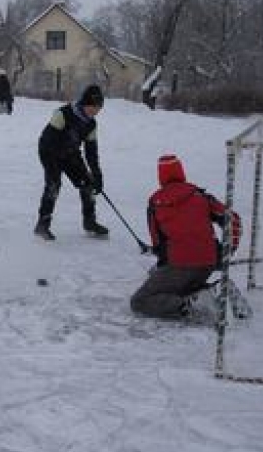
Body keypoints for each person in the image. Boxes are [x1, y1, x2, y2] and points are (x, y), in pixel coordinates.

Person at [130, 154, 242, 319]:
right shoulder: (201, 196)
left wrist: (162, 268)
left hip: (180, 263)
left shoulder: (155, 202)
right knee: (181, 282)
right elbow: (233, 220)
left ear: (161, 176)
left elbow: (158, 243)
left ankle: (189, 306)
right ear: (181, 172)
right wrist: (227, 251)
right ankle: (213, 291)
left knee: (140, 301)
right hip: (209, 262)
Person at [34, 83, 109, 240]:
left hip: (70, 154)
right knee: (54, 184)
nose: (95, 111)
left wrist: (97, 175)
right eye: (93, 107)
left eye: (98, 108)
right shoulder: (63, 114)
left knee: (87, 183)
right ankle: (42, 224)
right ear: (85, 103)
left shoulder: (91, 124)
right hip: (49, 152)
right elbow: (49, 140)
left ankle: (89, 222)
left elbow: (91, 153)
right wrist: (62, 158)